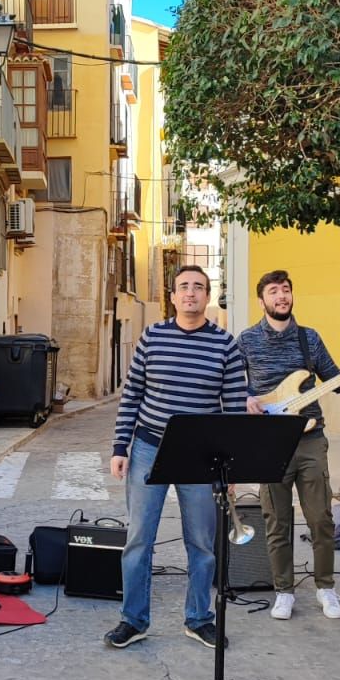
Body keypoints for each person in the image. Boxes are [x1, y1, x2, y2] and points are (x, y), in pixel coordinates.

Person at [106, 265, 250, 650]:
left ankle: (199, 618)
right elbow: (132, 394)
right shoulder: (152, 337)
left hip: (201, 454)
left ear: (208, 296)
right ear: (172, 296)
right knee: (138, 539)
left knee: (201, 542)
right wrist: (121, 448)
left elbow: (234, 408)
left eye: (198, 288)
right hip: (148, 448)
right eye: (183, 287)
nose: (190, 293)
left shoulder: (225, 344)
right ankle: (133, 620)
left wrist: (230, 463)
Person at [242, 270, 340, 621]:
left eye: (286, 290)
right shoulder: (247, 339)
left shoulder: (309, 339)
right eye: (274, 291)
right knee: (276, 521)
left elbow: (336, 379)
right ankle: (283, 591)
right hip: (269, 442)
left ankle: (325, 587)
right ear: (262, 300)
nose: (282, 296)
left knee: (321, 519)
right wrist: (246, 399)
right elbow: (229, 381)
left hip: (310, 438)